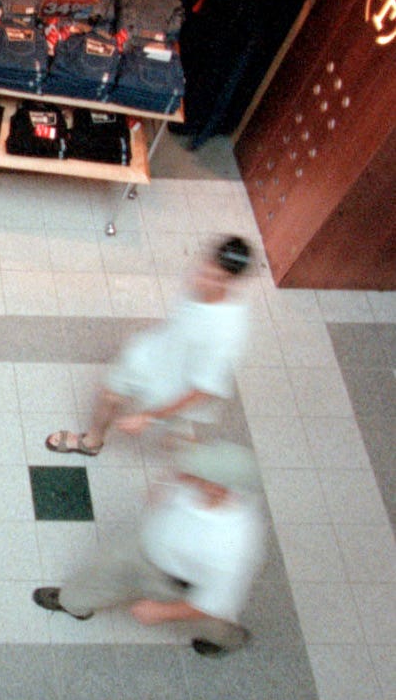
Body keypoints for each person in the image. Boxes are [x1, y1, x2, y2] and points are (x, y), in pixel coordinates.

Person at [31, 439, 266, 655]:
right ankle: (73, 602)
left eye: (197, 474)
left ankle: (227, 639)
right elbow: (176, 479)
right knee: (95, 578)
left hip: (173, 584)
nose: (186, 473)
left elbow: (214, 603)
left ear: (219, 488)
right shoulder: (195, 483)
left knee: (213, 622)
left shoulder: (233, 544)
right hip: (141, 547)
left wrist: (162, 612)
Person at [45, 234, 253, 457]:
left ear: (229, 281)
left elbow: (204, 390)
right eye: (205, 268)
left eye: (214, 277)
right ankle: (92, 441)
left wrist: (150, 417)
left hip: (175, 387)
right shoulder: (197, 287)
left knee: (172, 433)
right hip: (151, 357)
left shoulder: (227, 332)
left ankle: (190, 457)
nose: (200, 278)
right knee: (109, 395)